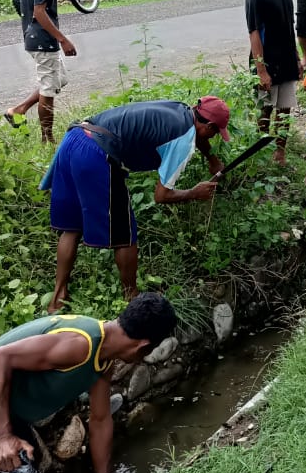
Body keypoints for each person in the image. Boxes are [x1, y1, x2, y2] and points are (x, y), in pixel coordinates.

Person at [0, 292, 176, 473]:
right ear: (143, 345)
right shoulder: (80, 344)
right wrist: (2, 437)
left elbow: (101, 420)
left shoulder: (104, 357)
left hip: (8, 408)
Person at [43, 96, 229, 312]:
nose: (214, 137)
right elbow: (162, 196)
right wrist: (194, 193)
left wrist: (211, 158)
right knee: (125, 233)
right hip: (98, 155)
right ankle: (131, 296)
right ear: (209, 126)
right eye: (216, 133)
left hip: (74, 139)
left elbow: (199, 134)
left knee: (71, 227)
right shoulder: (182, 141)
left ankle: (58, 297)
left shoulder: (180, 109)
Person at [5, 0, 77, 144]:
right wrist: (63, 39)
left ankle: (20, 109)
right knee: (49, 89)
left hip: (32, 35)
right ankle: (48, 139)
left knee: (59, 79)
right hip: (43, 39)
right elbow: (39, 11)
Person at [246, 0, 304, 164]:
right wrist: (261, 70)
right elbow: (254, 34)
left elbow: (290, 28)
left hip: (287, 60)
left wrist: (297, 58)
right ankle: (261, 152)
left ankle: (280, 152)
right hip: (267, 62)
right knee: (265, 110)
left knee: (284, 108)